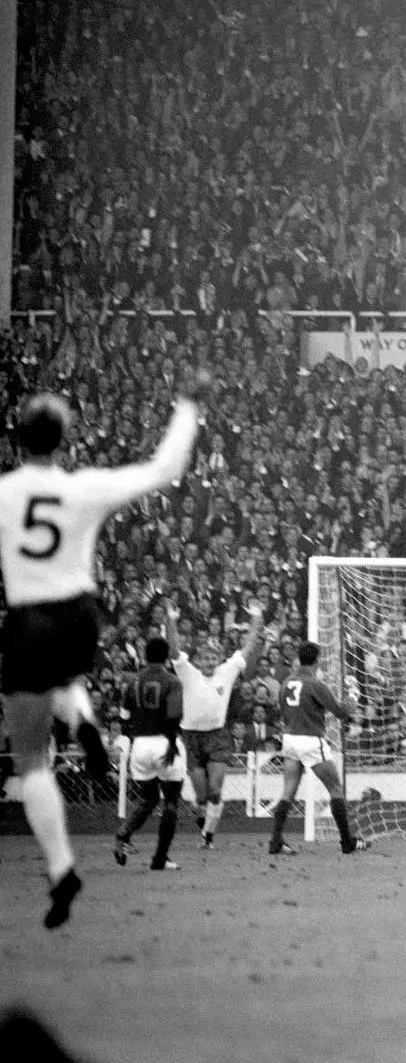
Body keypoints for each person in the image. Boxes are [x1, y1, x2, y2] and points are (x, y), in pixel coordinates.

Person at [0, 377, 203, 927]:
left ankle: (63, 868)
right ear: (64, 439)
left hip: (28, 615)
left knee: (32, 759)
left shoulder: (3, 494)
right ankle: (82, 715)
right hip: (79, 615)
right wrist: (188, 405)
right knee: (67, 675)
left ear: (16, 439)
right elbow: (164, 469)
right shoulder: (82, 488)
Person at [167, 601, 265, 849]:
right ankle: (204, 826)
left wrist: (256, 616)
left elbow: (249, 646)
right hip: (191, 737)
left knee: (215, 790)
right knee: (200, 797)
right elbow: (173, 649)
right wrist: (170, 618)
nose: (209, 660)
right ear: (198, 660)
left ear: (219, 657)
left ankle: (208, 838)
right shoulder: (188, 672)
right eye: (205, 657)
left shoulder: (227, 669)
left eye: (213, 656)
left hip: (217, 736)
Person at [266, 641, 367, 856]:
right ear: (317, 660)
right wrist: (353, 698)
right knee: (336, 789)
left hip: (290, 740)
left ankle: (275, 840)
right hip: (311, 741)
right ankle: (346, 841)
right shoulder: (314, 684)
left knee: (288, 790)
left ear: (299, 659)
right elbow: (341, 713)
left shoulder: (286, 683)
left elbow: (281, 710)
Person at [113, 637, 185, 872]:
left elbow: (123, 718)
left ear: (144, 656)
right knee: (171, 802)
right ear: (166, 657)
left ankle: (124, 834)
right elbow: (174, 716)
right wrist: (172, 742)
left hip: (140, 745)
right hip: (164, 743)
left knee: (149, 799)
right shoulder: (172, 681)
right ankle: (160, 858)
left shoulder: (132, 683)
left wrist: (134, 737)